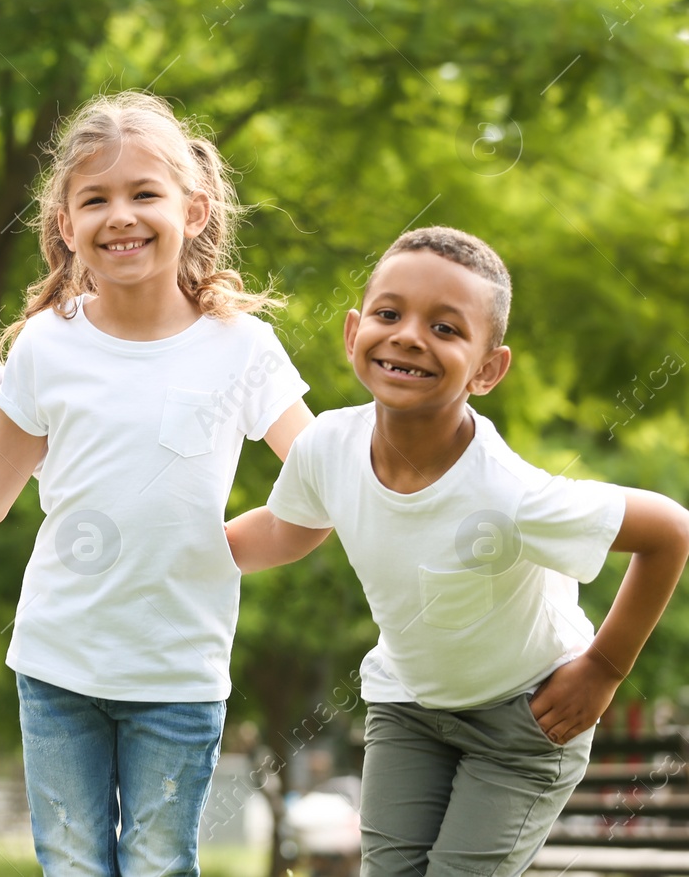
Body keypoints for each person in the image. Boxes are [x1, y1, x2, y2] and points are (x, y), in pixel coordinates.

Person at [0, 91, 312, 876]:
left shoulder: (241, 346)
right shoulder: (46, 346)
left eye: (144, 193)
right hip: (58, 662)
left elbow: (321, 483)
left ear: (194, 210)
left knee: (159, 862)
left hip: (179, 671)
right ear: (66, 226)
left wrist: (225, 545)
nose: (120, 215)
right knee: (71, 864)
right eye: (95, 198)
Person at [226, 226, 689, 877]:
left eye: (446, 328)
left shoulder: (510, 494)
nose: (409, 335)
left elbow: (669, 530)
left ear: (488, 369)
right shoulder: (327, 446)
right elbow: (291, 525)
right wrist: (202, 552)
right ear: (353, 331)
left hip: (525, 722)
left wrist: (606, 667)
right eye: (389, 314)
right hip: (409, 707)